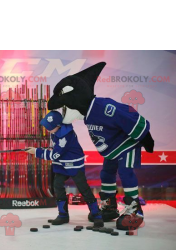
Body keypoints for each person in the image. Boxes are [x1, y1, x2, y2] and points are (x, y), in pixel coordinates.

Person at [47, 62, 154, 230]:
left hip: (127, 144)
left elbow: (128, 114)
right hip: (112, 149)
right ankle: (109, 206)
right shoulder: (87, 113)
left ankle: (135, 209)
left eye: (65, 105)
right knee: (106, 173)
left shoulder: (104, 107)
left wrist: (145, 136)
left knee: (125, 172)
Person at [26, 110, 104, 228]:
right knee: (57, 186)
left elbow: (54, 155)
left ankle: (96, 214)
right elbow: (55, 148)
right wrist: (42, 149)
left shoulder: (65, 136)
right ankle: (63, 215)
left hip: (74, 165)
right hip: (61, 164)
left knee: (84, 189)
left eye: (49, 127)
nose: (47, 129)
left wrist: (36, 152)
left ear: (58, 126)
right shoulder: (55, 131)